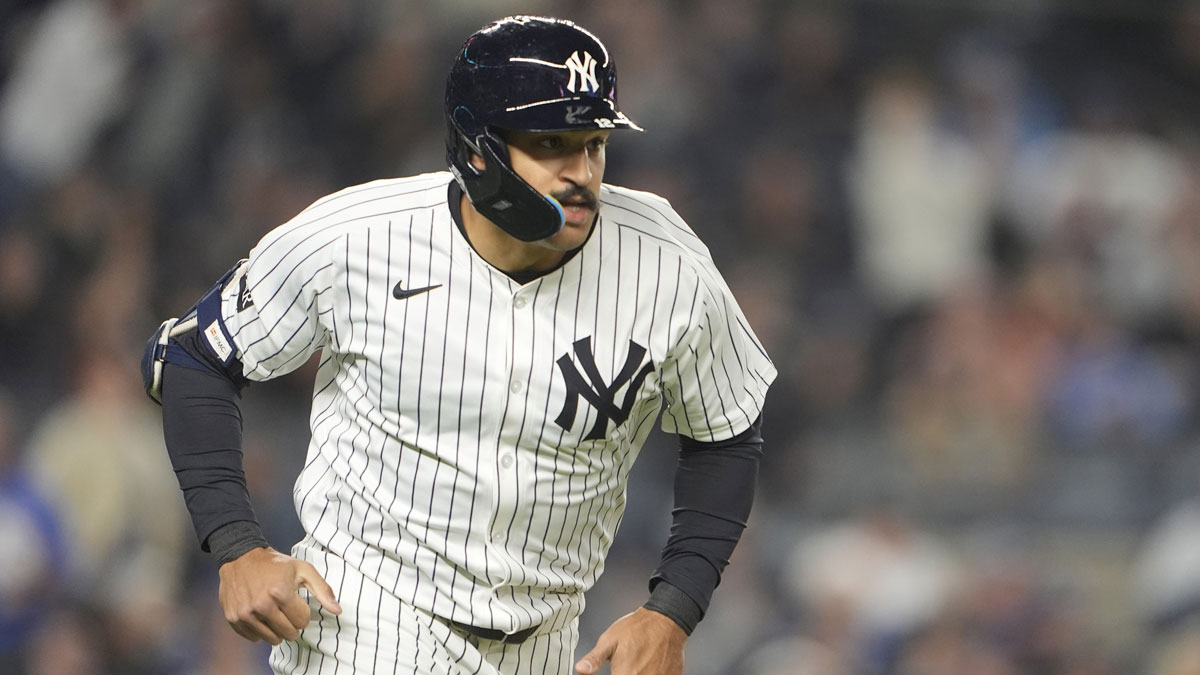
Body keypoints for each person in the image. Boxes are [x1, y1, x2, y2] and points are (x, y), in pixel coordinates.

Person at [142, 15, 775, 675]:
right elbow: (193, 355)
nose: (581, 171)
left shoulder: (666, 262)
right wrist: (238, 548)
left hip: (549, 644)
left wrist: (672, 607)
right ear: (478, 149)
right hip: (365, 624)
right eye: (551, 143)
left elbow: (727, 431)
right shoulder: (356, 237)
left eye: (593, 142)